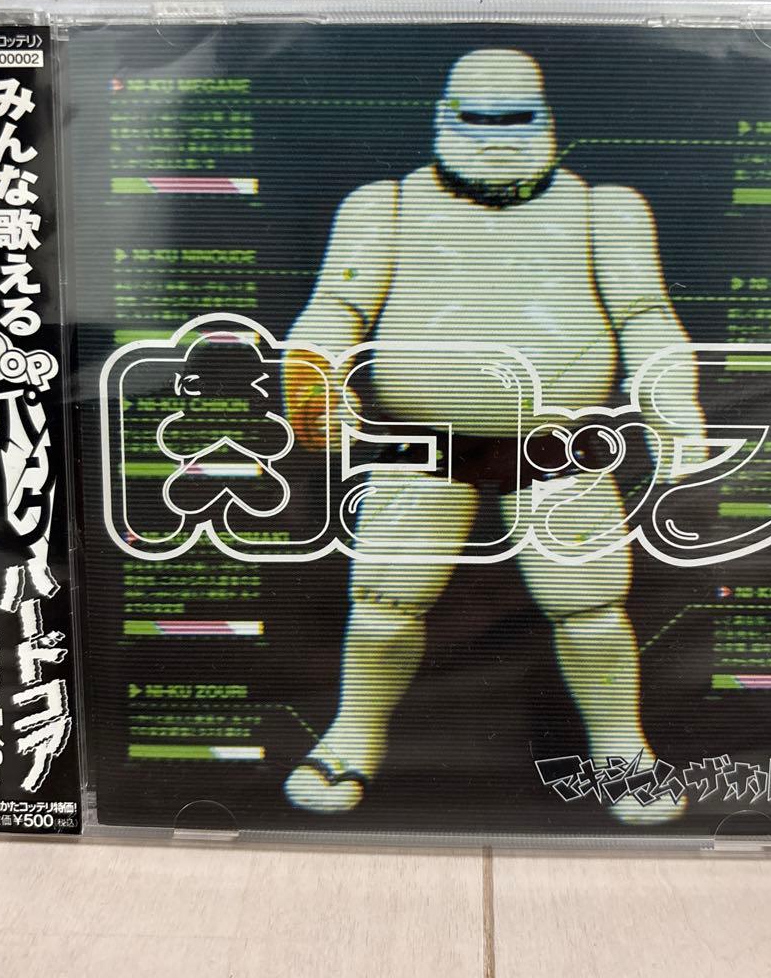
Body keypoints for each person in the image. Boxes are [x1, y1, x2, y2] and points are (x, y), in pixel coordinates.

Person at [281, 48, 705, 823]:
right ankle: (353, 733)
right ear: (444, 118)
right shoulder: (386, 207)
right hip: (422, 438)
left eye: (516, 119)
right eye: (478, 120)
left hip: (554, 439)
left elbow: (647, 315)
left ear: (548, 119)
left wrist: (672, 408)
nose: (498, 138)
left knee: (590, 606)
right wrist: (314, 378)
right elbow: (336, 308)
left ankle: (621, 747)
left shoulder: (602, 210)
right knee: (383, 602)